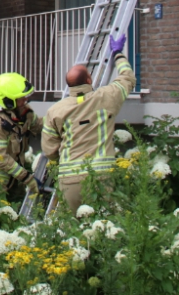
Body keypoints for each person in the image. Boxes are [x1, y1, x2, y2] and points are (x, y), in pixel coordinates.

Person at [41, 33, 136, 213]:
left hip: (69, 181)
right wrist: (118, 53)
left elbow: (49, 151)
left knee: (72, 227)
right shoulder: (106, 98)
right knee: (100, 226)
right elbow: (128, 78)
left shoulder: (55, 111)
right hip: (101, 178)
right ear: (89, 80)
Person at [0, 72, 43, 198]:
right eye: (21, 98)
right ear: (9, 101)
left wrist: (58, 118)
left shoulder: (22, 111)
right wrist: (27, 178)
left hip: (16, 178)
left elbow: (39, 125)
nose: (25, 100)